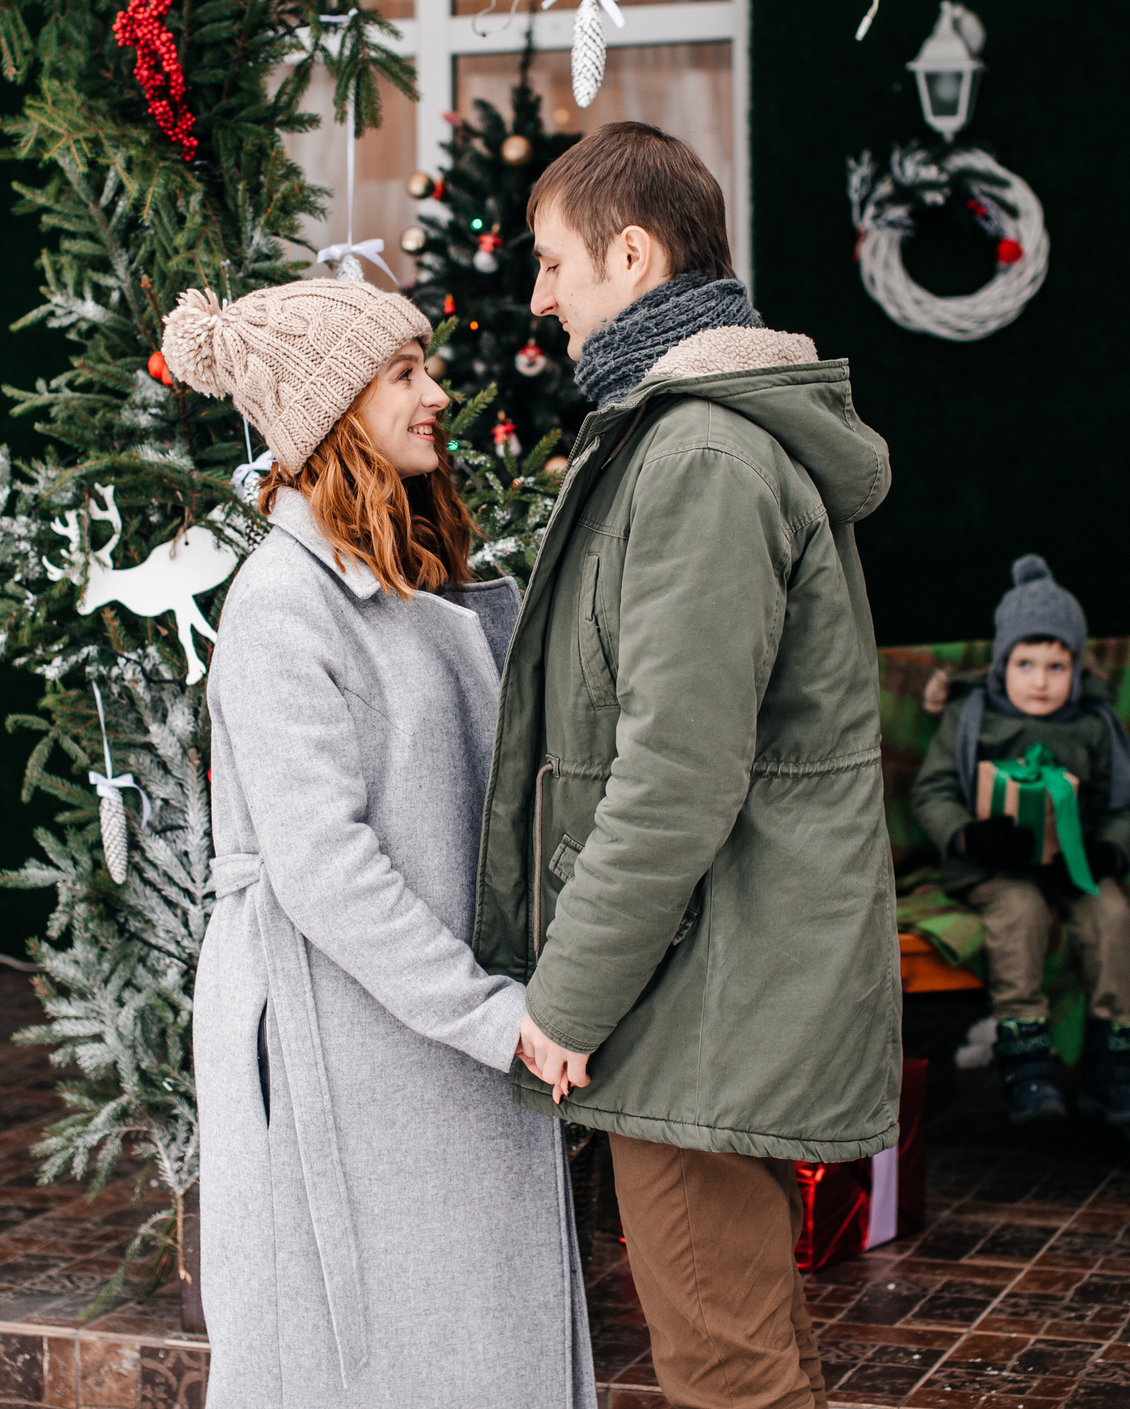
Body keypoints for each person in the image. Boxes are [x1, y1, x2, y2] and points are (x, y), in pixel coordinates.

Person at [469, 121, 901, 1409]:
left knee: (726, 1373)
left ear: (632, 255)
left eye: (553, 263)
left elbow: (675, 771)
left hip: (708, 991)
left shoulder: (700, 456)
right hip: (713, 977)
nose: (537, 299)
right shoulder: (675, 438)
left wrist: (566, 1000)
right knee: (750, 1354)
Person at [164, 278, 592, 1409]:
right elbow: (325, 871)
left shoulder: (413, 580)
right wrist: (494, 1016)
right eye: (403, 374)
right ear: (333, 411)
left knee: (467, 1339)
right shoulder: (282, 605)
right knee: (356, 1352)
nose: (436, 393)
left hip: (428, 1029)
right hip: (342, 1035)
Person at [908, 556, 1130, 1129]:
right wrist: (968, 835)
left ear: (1077, 667)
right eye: (1025, 664)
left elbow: (1126, 805)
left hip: (1073, 863)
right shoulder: (971, 715)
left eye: (1056, 666)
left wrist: (1106, 852)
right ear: (1002, 663)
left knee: (1112, 915)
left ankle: (1112, 1066)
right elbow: (933, 792)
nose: (1040, 681)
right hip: (995, 866)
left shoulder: (1094, 723)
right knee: (1020, 912)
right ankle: (1026, 1064)